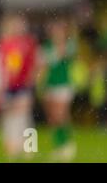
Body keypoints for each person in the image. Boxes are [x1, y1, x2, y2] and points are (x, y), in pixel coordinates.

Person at [0, 13, 39, 160]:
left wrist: (32, 79)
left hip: (23, 86)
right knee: (9, 117)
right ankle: (12, 146)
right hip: (7, 87)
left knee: (24, 116)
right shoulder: (2, 45)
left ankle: (29, 148)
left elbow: (35, 63)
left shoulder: (28, 44)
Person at [38, 17, 77, 161]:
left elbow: (65, 57)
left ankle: (68, 144)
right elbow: (43, 67)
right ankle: (58, 145)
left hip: (63, 84)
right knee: (52, 117)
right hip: (50, 84)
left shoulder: (69, 45)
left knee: (61, 115)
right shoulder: (47, 46)